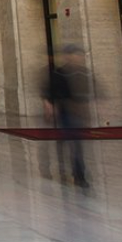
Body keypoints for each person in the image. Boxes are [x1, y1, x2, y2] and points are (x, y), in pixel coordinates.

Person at [44, 44, 92, 188]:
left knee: (76, 143)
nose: (76, 58)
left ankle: (79, 174)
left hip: (77, 112)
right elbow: (50, 91)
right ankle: (76, 172)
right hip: (65, 112)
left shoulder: (84, 72)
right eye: (74, 55)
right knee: (73, 142)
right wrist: (49, 106)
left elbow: (90, 90)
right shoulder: (59, 73)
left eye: (78, 55)